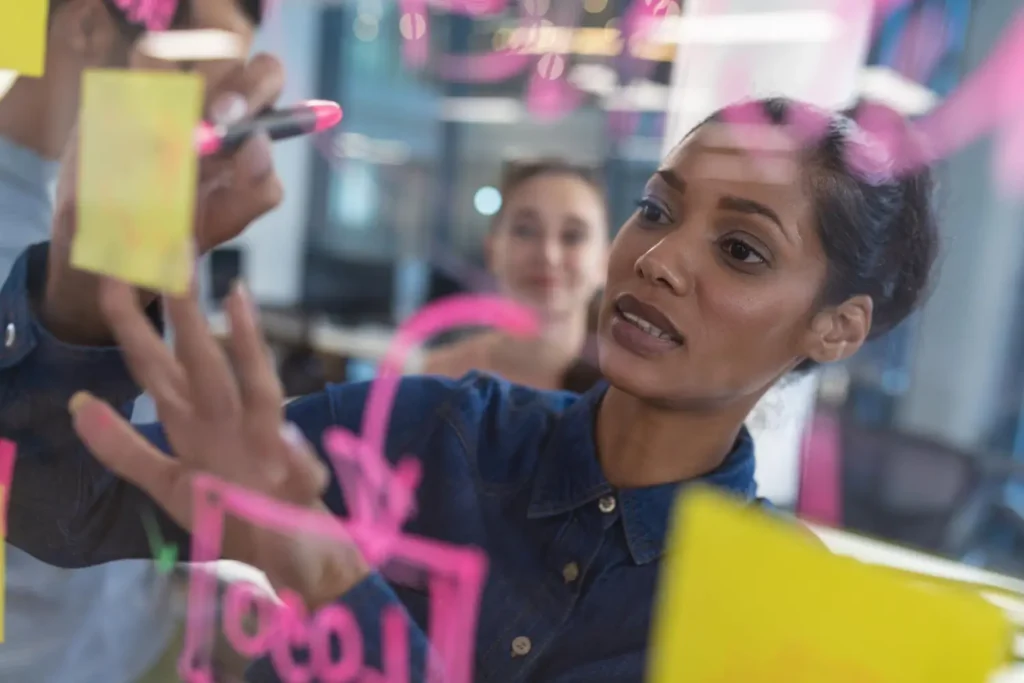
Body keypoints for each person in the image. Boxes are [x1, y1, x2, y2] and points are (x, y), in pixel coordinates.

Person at [0, 97, 938, 682]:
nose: (657, 260)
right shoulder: (434, 431)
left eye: (740, 250)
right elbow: (56, 509)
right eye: (656, 209)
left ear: (837, 326)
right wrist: (96, 274)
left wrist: (331, 577)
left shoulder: (779, 610)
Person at [0, 0, 278, 681]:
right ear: (90, 24)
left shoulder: (137, 215)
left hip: (125, 642)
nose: (203, 117)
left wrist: (182, 597)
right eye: (186, 72)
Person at [423, 159, 608, 391]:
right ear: (491, 251)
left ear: (605, 261)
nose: (548, 255)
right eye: (526, 230)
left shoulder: (626, 395)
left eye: (573, 236)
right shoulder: (437, 378)